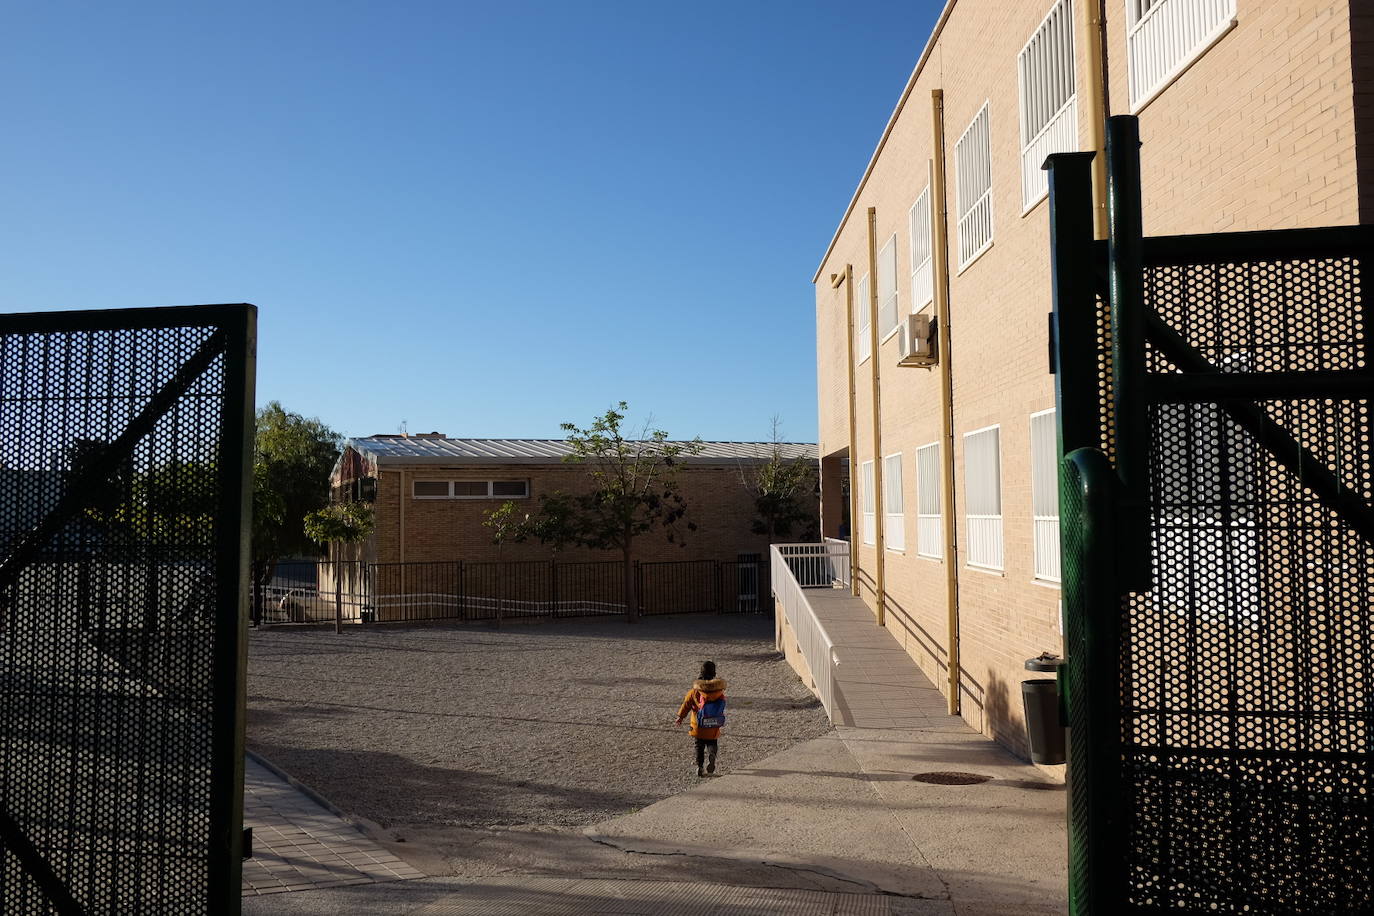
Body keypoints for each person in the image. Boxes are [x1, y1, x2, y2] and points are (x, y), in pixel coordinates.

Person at [674, 660, 726, 777]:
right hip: (714, 723)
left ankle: (700, 766)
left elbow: (686, 704)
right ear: (714, 673)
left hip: (698, 725)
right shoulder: (719, 691)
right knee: (712, 742)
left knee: (699, 746)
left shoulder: (695, 691)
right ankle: (712, 754)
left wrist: (680, 717)